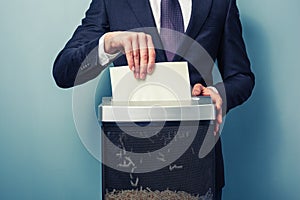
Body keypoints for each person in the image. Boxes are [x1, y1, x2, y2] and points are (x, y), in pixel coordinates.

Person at [53, 0, 255, 199]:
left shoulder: (220, 3)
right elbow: (63, 71)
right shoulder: (111, 3)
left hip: (198, 166)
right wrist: (108, 44)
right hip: (131, 171)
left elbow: (242, 77)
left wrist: (219, 93)